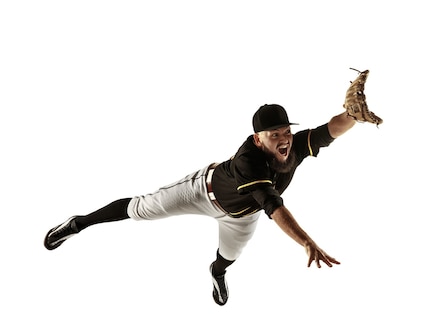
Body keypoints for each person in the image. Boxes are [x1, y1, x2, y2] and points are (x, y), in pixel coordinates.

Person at [44, 103, 357, 306]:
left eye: (286, 131)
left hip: (241, 216)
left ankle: (216, 273)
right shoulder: (249, 160)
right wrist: (306, 241)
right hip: (201, 192)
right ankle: (78, 223)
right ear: (258, 138)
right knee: (140, 209)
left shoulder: (292, 147)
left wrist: (353, 116)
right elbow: (273, 207)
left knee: (230, 256)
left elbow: (329, 130)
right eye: (274, 134)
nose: (284, 138)